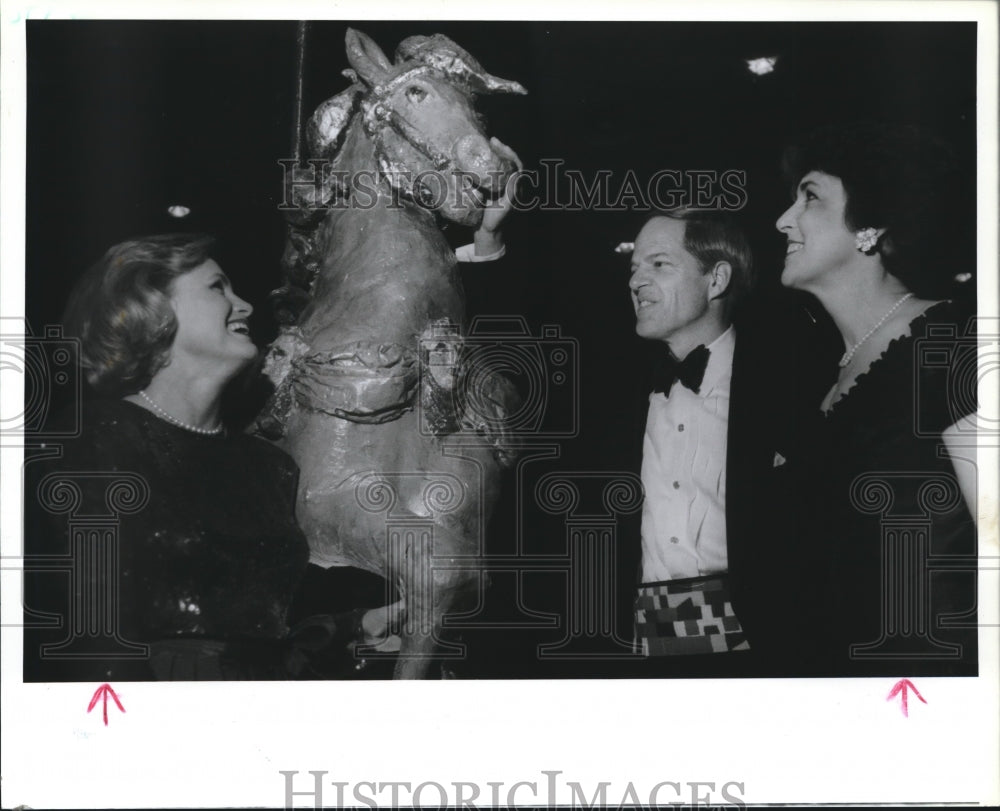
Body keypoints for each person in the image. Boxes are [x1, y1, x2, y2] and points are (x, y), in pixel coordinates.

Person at [23, 234, 401, 681]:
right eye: (217, 288)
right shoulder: (89, 443)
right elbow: (70, 635)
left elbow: (266, 646)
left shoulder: (271, 467)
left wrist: (354, 626)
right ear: (149, 307)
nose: (245, 306)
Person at [772, 121, 978, 676]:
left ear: (871, 226)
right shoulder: (825, 380)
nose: (782, 220)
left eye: (809, 197)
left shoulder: (953, 342)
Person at [626, 209, 764, 673]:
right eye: (634, 268)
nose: (637, 281)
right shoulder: (616, 390)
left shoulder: (786, 386)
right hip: (646, 637)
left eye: (659, 264)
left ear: (716, 279)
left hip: (759, 640)